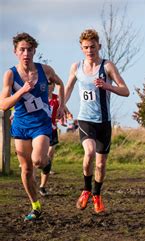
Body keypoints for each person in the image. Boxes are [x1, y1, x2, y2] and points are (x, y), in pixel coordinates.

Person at [0, 32, 65, 221]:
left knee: (37, 161)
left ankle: (45, 161)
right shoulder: (10, 74)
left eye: (29, 49)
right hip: (21, 126)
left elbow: (60, 84)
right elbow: (3, 104)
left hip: (41, 124)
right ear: (15, 52)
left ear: (34, 51)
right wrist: (21, 90)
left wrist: (61, 105)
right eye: (22, 50)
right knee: (27, 170)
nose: (26, 53)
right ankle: (35, 205)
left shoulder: (45, 70)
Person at [64, 29, 129, 214]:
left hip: (104, 122)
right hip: (85, 120)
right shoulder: (76, 67)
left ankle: (97, 196)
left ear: (99, 46)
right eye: (86, 47)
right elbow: (68, 88)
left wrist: (108, 86)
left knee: (100, 164)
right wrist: (62, 105)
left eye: (93, 46)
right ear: (81, 48)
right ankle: (85, 189)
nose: (89, 50)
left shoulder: (107, 66)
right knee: (89, 153)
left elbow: (125, 90)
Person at [38, 80, 62, 196]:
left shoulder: (57, 99)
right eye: (46, 84)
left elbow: (63, 109)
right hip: (39, 131)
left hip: (52, 130)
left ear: (53, 86)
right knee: (38, 159)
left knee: (49, 155)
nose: (48, 86)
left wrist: (64, 113)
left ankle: (42, 186)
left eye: (50, 84)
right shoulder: (38, 97)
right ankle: (33, 179)